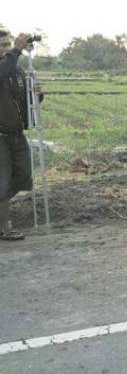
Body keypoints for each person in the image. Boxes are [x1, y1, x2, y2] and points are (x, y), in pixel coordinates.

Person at [0, 31, 43, 240]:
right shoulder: (5, 67)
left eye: (8, 45)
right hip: (0, 137)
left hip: (17, 134)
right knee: (2, 181)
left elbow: (26, 99)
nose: (5, 48)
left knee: (24, 177)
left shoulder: (16, 69)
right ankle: (4, 227)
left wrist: (37, 93)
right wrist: (18, 49)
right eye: (2, 45)